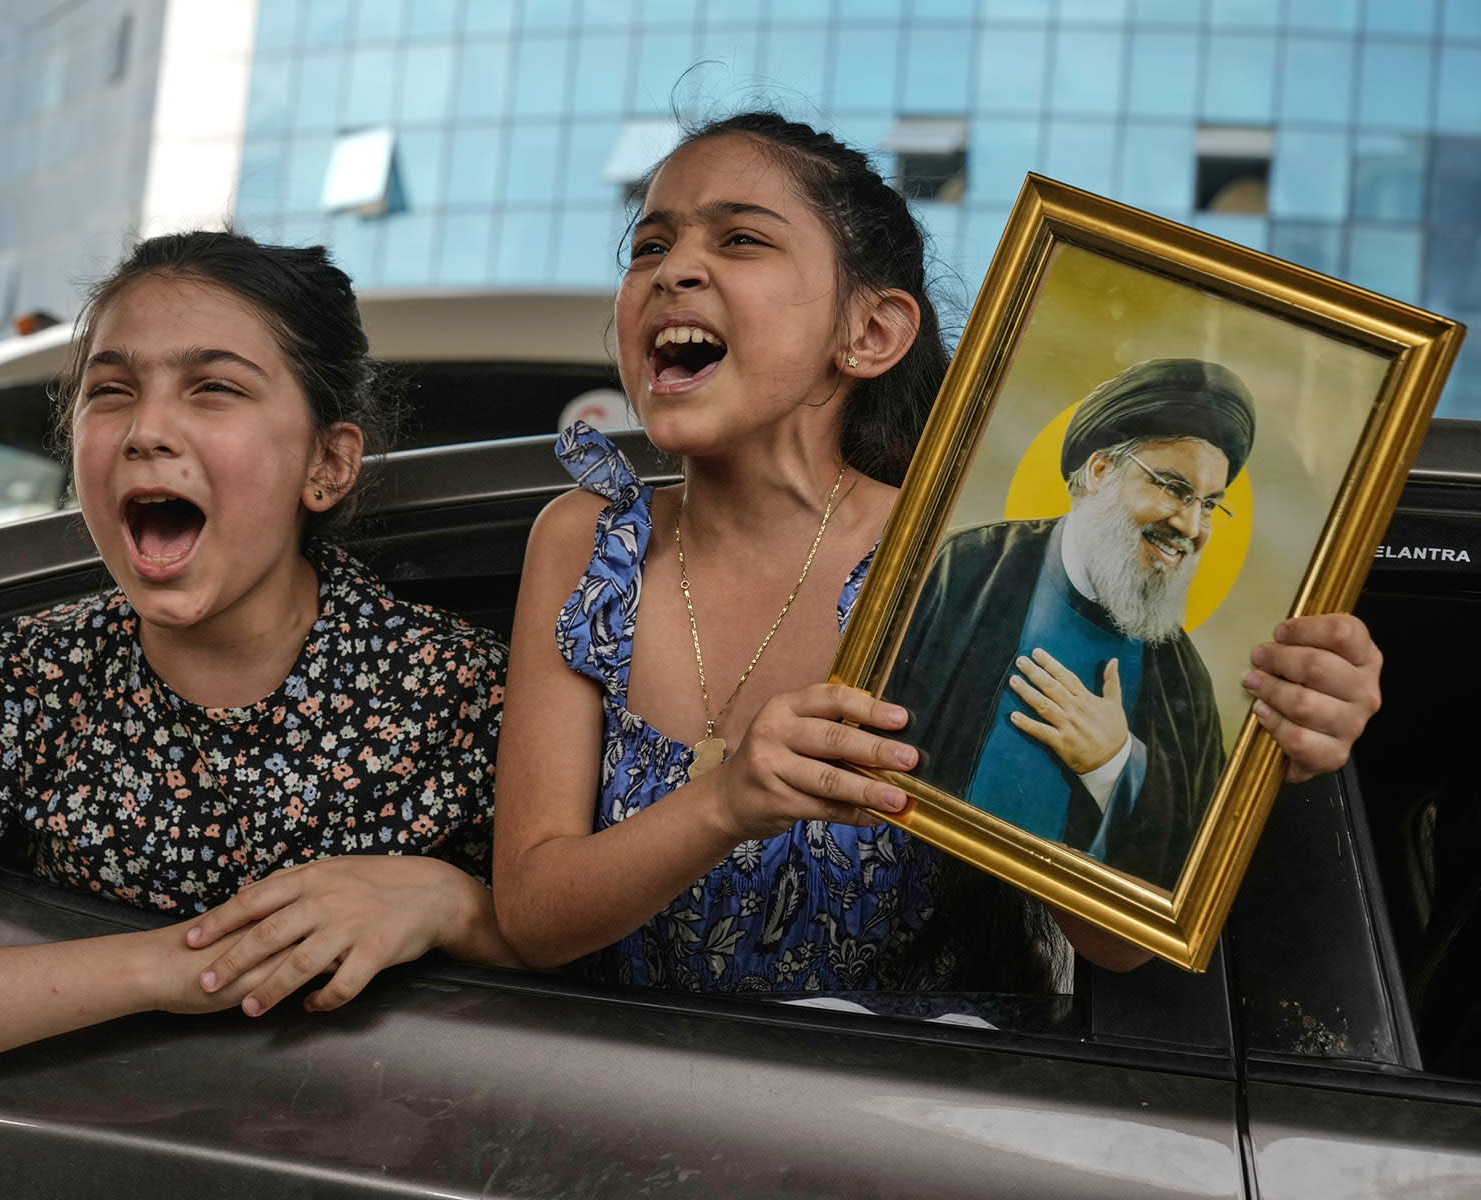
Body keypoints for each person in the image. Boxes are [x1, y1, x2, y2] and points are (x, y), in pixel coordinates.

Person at [490, 112, 1383, 995]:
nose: (673, 270)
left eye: (741, 240)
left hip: (917, 1120)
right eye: (647, 247)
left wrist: (1269, 729)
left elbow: (1116, 945)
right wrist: (721, 806)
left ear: (870, 333)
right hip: (617, 1102)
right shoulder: (585, 545)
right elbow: (534, 918)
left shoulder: (953, 568)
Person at [0, 232, 516, 1079]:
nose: (147, 430)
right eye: (111, 391)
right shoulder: (35, 679)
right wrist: (171, 968)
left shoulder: (463, 689)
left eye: (215, 388)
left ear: (328, 463)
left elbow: (636, 985)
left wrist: (450, 905)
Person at [888, 357, 1255, 887]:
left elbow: (1179, 876)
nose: (1191, 526)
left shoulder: (1184, 683)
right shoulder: (962, 568)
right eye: (1175, 488)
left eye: (1210, 505)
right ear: (1101, 470)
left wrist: (1115, 763)